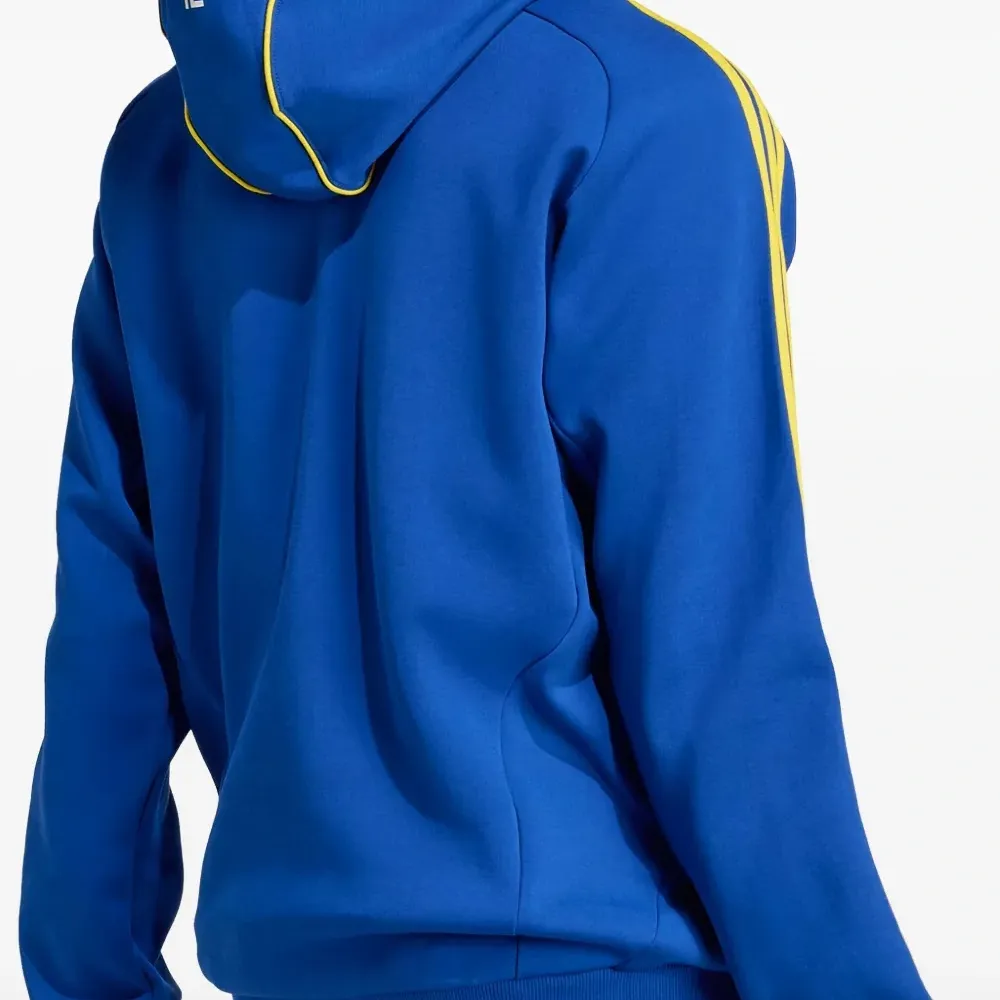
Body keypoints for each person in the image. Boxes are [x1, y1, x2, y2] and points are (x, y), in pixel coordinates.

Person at [20, 2, 932, 999]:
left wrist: (88, 974)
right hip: (593, 963)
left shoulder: (167, 146)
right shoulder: (645, 109)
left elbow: (107, 644)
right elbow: (722, 653)